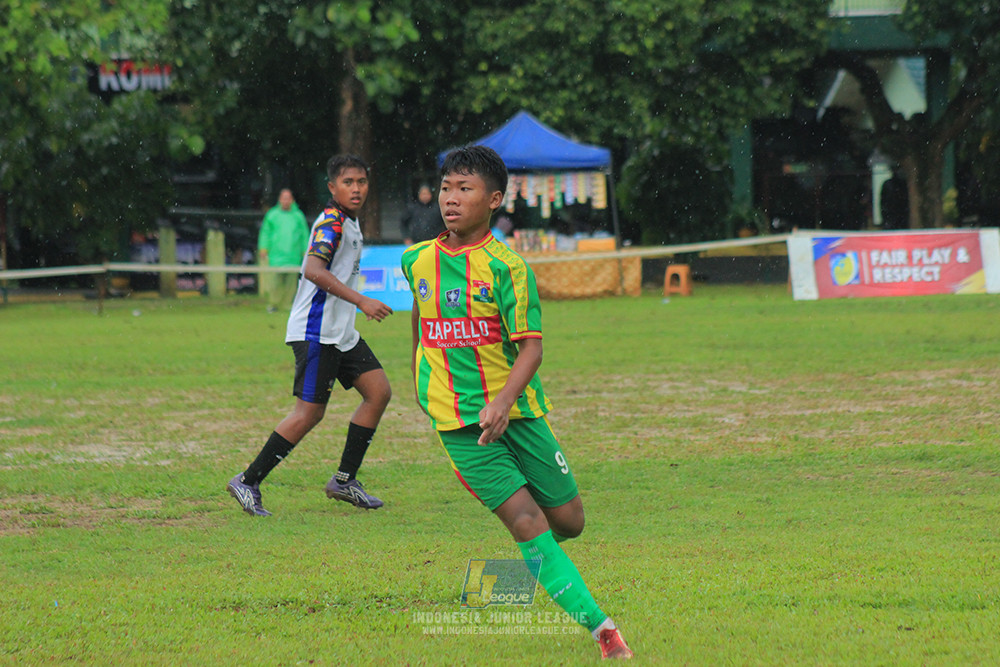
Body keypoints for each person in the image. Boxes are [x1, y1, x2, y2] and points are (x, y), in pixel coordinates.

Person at [400, 146, 634, 660]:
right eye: (446, 188)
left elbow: (532, 344)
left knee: (569, 521)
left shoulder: (509, 267)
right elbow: (419, 324)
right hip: (460, 424)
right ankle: (604, 633)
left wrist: (504, 401)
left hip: (520, 413)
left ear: (495, 200)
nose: (451, 199)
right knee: (527, 521)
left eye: (465, 189)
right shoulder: (415, 259)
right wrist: (423, 386)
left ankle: (532, 563)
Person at [228, 155, 394, 516]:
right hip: (316, 331)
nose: (356, 188)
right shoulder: (331, 223)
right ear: (332, 187)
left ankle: (344, 480)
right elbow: (314, 269)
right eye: (348, 182)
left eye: (362, 181)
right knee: (309, 413)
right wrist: (362, 300)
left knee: (378, 392)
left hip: (341, 332)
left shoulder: (350, 222)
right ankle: (248, 480)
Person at [258, 188, 309, 312]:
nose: (286, 201)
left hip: (293, 255)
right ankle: (273, 304)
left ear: (292, 200)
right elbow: (265, 232)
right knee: (274, 282)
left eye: (288, 198)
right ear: (280, 200)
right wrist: (263, 248)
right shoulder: (272, 215)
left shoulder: (298, 216)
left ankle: (288, 304)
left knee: (291, 284)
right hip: (276, 255)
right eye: (283, 198)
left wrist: (305, 250)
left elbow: (304, 234)